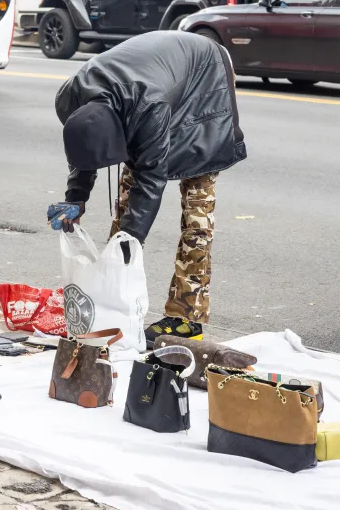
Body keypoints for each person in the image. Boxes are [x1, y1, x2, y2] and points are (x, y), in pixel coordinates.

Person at [50, 31, 246, 344]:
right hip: (156, 82)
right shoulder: (71, 99)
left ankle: (187, 318)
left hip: (207, 76)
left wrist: (132, 241)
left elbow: (150, 180)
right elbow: (85, 150)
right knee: (128, 205)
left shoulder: (147, 108)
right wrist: (75, 199)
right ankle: (112, 293)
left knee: (197, 209)